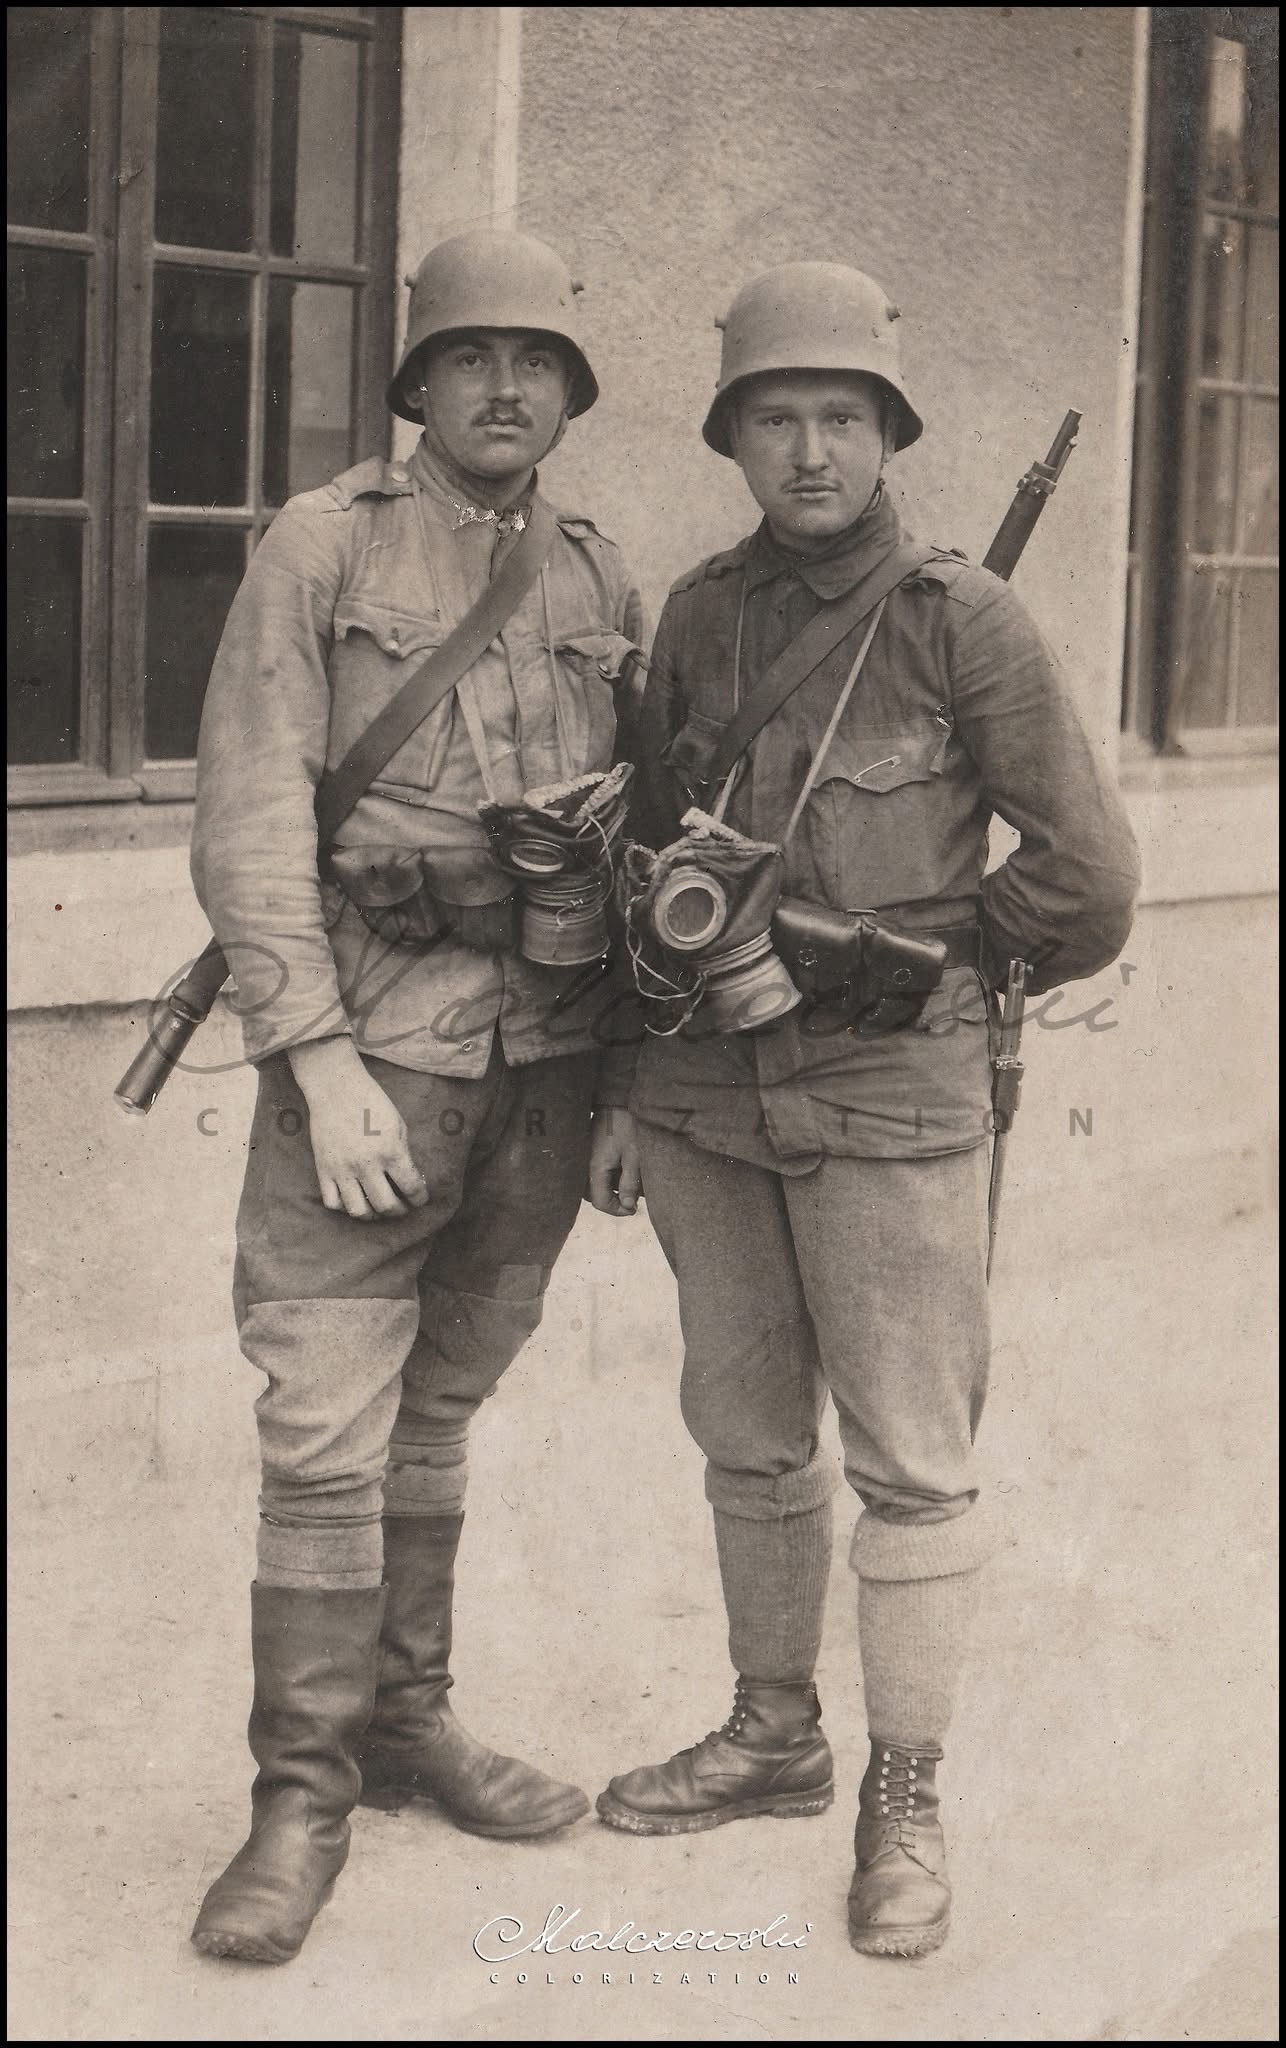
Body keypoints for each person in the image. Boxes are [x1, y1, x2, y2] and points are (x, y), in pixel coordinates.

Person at [587, 260, 1141, 1957]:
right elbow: (646, 866)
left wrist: (907, 968)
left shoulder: (960, 617)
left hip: (890, 1094)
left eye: (841, 416)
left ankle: (903, 1795)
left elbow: (1088, 878)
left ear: (888, 432)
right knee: (746, 1430)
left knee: (908, 1458)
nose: (810, 451)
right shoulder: (697, 616)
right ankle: (771, 1733)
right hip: (703, 1090)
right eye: (776, 418)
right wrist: (626, 1083)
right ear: (733, 437)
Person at [188, 229, 646, 1966]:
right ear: (420, 382)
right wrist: (315, 1065)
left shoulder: (595, 571)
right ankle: (297, 1799)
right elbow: (249, 815)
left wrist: (617, 1081)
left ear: (568, 393)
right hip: (369, 1051)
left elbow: (629, 850)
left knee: (440, 1409)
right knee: (324, 1427)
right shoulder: (325, 543)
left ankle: (405, 1724)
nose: (504, 389)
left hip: (540, 1063)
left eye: (536, 363)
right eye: (471, 358)